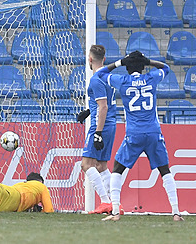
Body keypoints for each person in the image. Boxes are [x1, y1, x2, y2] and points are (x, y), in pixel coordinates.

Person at [95, 51, 183, 222]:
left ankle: (115, 212)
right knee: (165, 171)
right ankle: (176, 212)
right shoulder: (152, 77)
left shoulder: (122, 81)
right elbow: (166, 68)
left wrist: (119, 63)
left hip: (134, 134)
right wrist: (148, 61)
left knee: (117, 170)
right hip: (153, 132)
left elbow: (100, 73)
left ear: (127, 67)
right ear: (143, 66)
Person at [76, 45, 121, 215]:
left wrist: (98, 133)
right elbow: (104, 102)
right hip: (111, 124)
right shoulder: (109, 76)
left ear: (90, 59)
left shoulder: (96, 79)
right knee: (101, 166)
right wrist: (88, 112)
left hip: (100, 125)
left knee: (86, 164)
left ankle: (104, 201)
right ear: (104, 58)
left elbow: (103, 107)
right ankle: (115, 204)